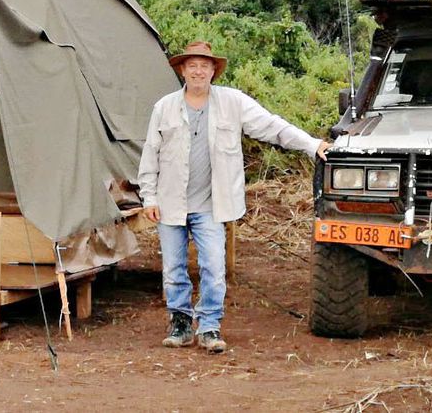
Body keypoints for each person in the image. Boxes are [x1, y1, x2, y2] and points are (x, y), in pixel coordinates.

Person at [138, 41, 332, 353]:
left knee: (214, 268)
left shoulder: (232, 102)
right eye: (192, 65)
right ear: (182, 71)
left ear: (213, 70)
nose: (198, 71)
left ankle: (210, 326)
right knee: (173, 270)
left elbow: (272, 126)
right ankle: (181, 323)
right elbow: (150, 154)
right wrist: (148, 197)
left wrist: (311, 144)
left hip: (211, 207)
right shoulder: (164, 107)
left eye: (204, 65)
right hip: (171, 202)